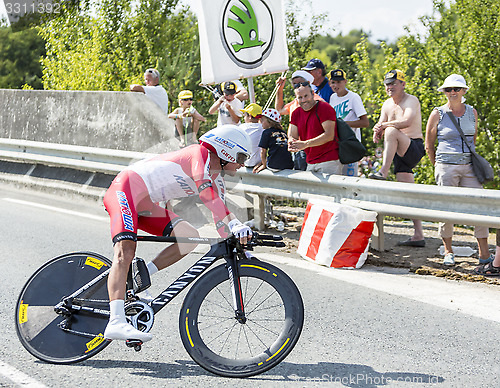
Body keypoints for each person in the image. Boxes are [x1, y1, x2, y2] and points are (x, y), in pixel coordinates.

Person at [102, 125, 253, 342]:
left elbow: (221, 223)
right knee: (125, 251)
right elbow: (205, 193)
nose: (242, 164)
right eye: (241, 157)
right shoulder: (198, 154)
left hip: (144, 203)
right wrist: (236, 222)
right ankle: (115, 321)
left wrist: (241, 246)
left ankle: (140, 278)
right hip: (125, 189)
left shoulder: (217, 179)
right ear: (225, 149)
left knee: (188, 237)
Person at [425, 74, 494, 266]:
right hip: (446, 165)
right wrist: (438, 166)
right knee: (447, 209)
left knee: (480, 207)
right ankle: (448, 250)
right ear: (445, 92)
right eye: (448, 89)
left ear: (464, 91)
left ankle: (484, 253)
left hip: (469, 166)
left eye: (456, 89)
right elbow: (428, 144)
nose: (452, 92)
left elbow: (473, 138)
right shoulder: (438, 113)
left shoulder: (472, 112)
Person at [369, 69, 426, 247]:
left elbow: (407, 121)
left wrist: (384, 126)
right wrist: (376, 131)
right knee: (410, 195)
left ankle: (382, 172)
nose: (389, 87)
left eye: (393, 83)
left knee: (392, 130)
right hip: (399, 153)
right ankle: (419, 235)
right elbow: (380, 123)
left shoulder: (411, 100)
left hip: (413, 147)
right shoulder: (387, 104)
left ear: (403, 84)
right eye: (387, 83)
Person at [288, 83, 341, 175]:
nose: (304, 100)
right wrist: (291, 142)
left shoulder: (324, 108)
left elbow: (329, 135)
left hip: (328, 161)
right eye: (300, 97)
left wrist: (305, 144)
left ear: (312, 93)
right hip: (310, 162)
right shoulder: (296, 113)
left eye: (306, 96)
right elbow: (293, 134)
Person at [275, 70, 323, 170]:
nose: (298, 87)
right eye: (295, 84)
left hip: (309, 148)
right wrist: (279, 89)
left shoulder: (317, 101)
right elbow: (279, 110)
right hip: (296, 148)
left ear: (309, 84)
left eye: (301, 83)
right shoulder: (295, 102)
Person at [328, 69, 369, 176]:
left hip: (350, 145)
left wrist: (344, 124)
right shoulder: (332, 98)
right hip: (337, 145)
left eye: (339, 82)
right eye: (333, 82)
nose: (336, 85)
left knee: (349, 180)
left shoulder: (353, 97)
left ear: (345, 82)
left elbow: (365, 122)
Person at [254, 108, 294, 173]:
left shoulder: (266, 132)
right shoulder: (283, 132)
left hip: (274, 166)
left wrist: (264, 165)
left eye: (262, 120)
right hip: (289, 165)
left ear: (269, 121)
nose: (260, 122)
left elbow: (263, 152)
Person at [239, 103, 264, 169]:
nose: (244, 118)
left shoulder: (241, 127)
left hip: (243, 163)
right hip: (258, 163)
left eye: (244, 115)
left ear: (249, 116)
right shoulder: (263, 128)